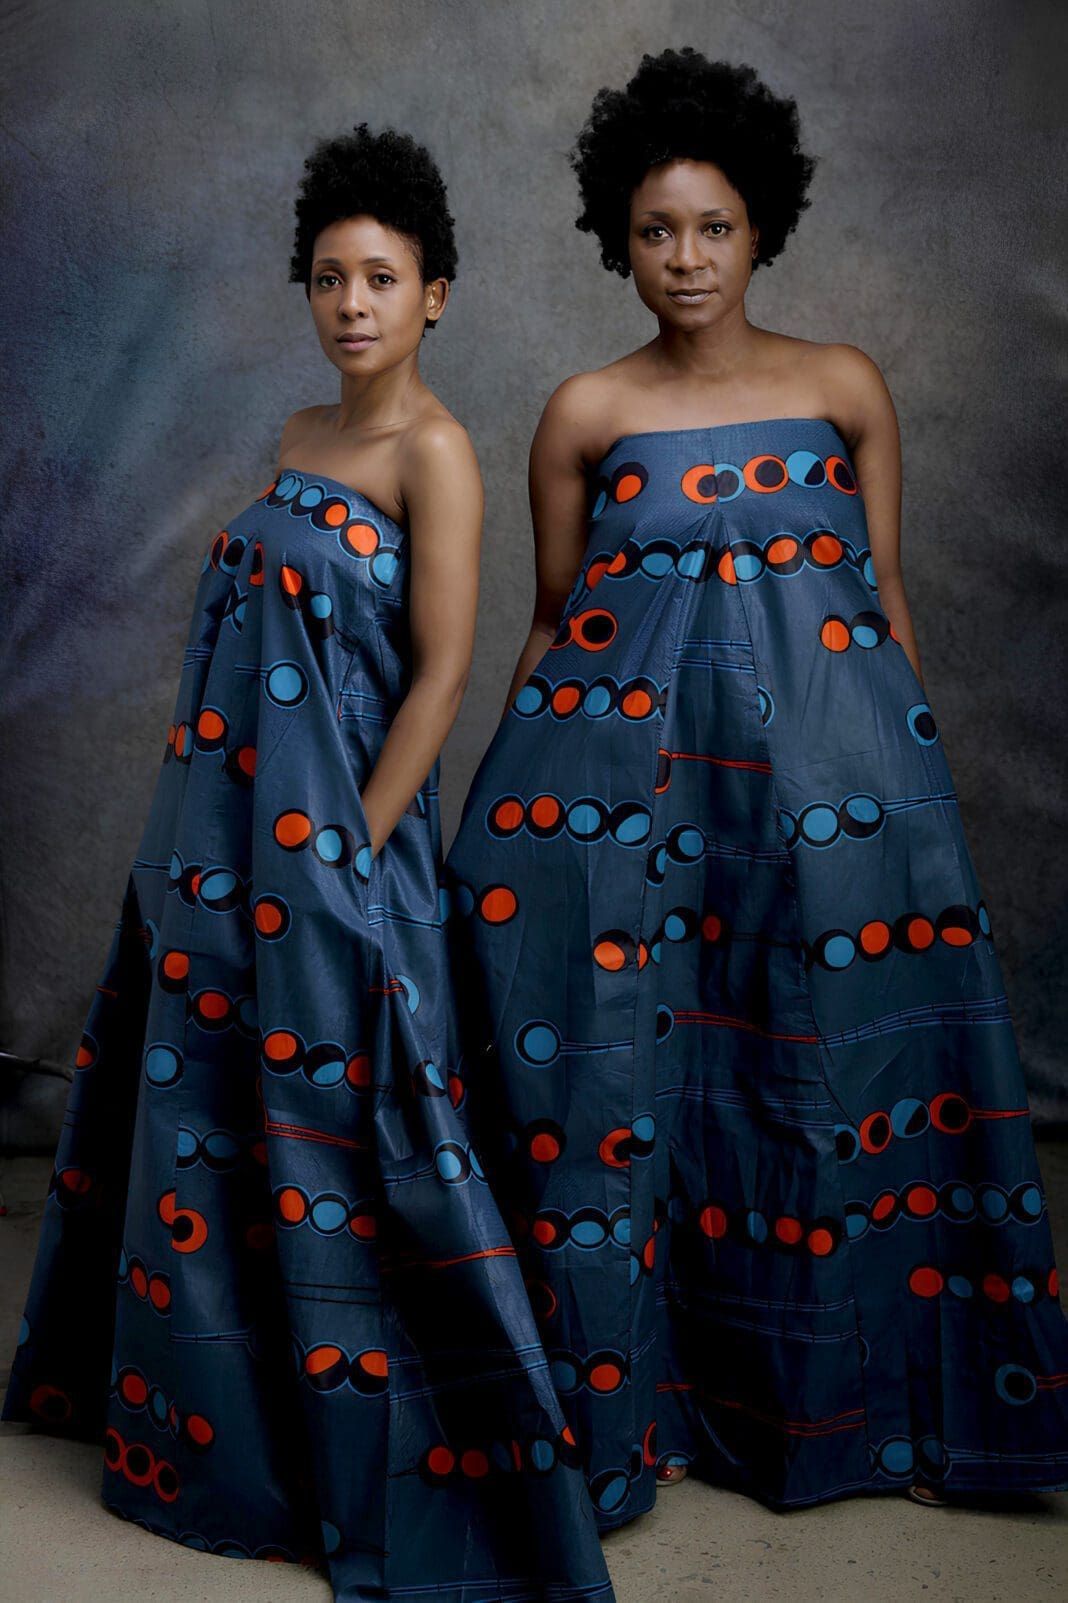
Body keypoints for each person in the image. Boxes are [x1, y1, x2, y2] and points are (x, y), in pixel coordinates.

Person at [443, 47, 1068, 1529]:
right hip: (636, 807)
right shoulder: (584, 411)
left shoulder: (845, 386)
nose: (687, 260)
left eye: (713, 228)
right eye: (657, 231)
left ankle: (844, 1408)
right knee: (644, 1086)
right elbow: (555, 626)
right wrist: (492, 820)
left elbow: (886, 608)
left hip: (833, 804)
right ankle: (640, 1409)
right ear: (618, 239)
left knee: (812, 1084)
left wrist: (908, 823)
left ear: (763, 226)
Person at [2, 123, 615, 1603]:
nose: (352, 302)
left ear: (436, 297)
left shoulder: (437, 449)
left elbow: (445, 669)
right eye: (330, 277)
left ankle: (412, 1449)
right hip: (220, 848)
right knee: (216, 1122)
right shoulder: (294, 435)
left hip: (348, 853)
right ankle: (227, 1429)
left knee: (357, 1137)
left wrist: (351, 853)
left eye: (382, 278)